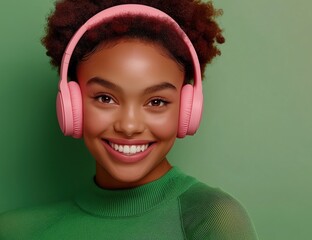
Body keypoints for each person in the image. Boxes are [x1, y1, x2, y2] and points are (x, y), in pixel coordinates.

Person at [0, 0, 258, 239]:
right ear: (71, 104)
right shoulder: (15, 230)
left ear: (187, 110)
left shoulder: (212, 218)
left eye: (156, 102)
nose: (129, 126)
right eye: (105, 98)